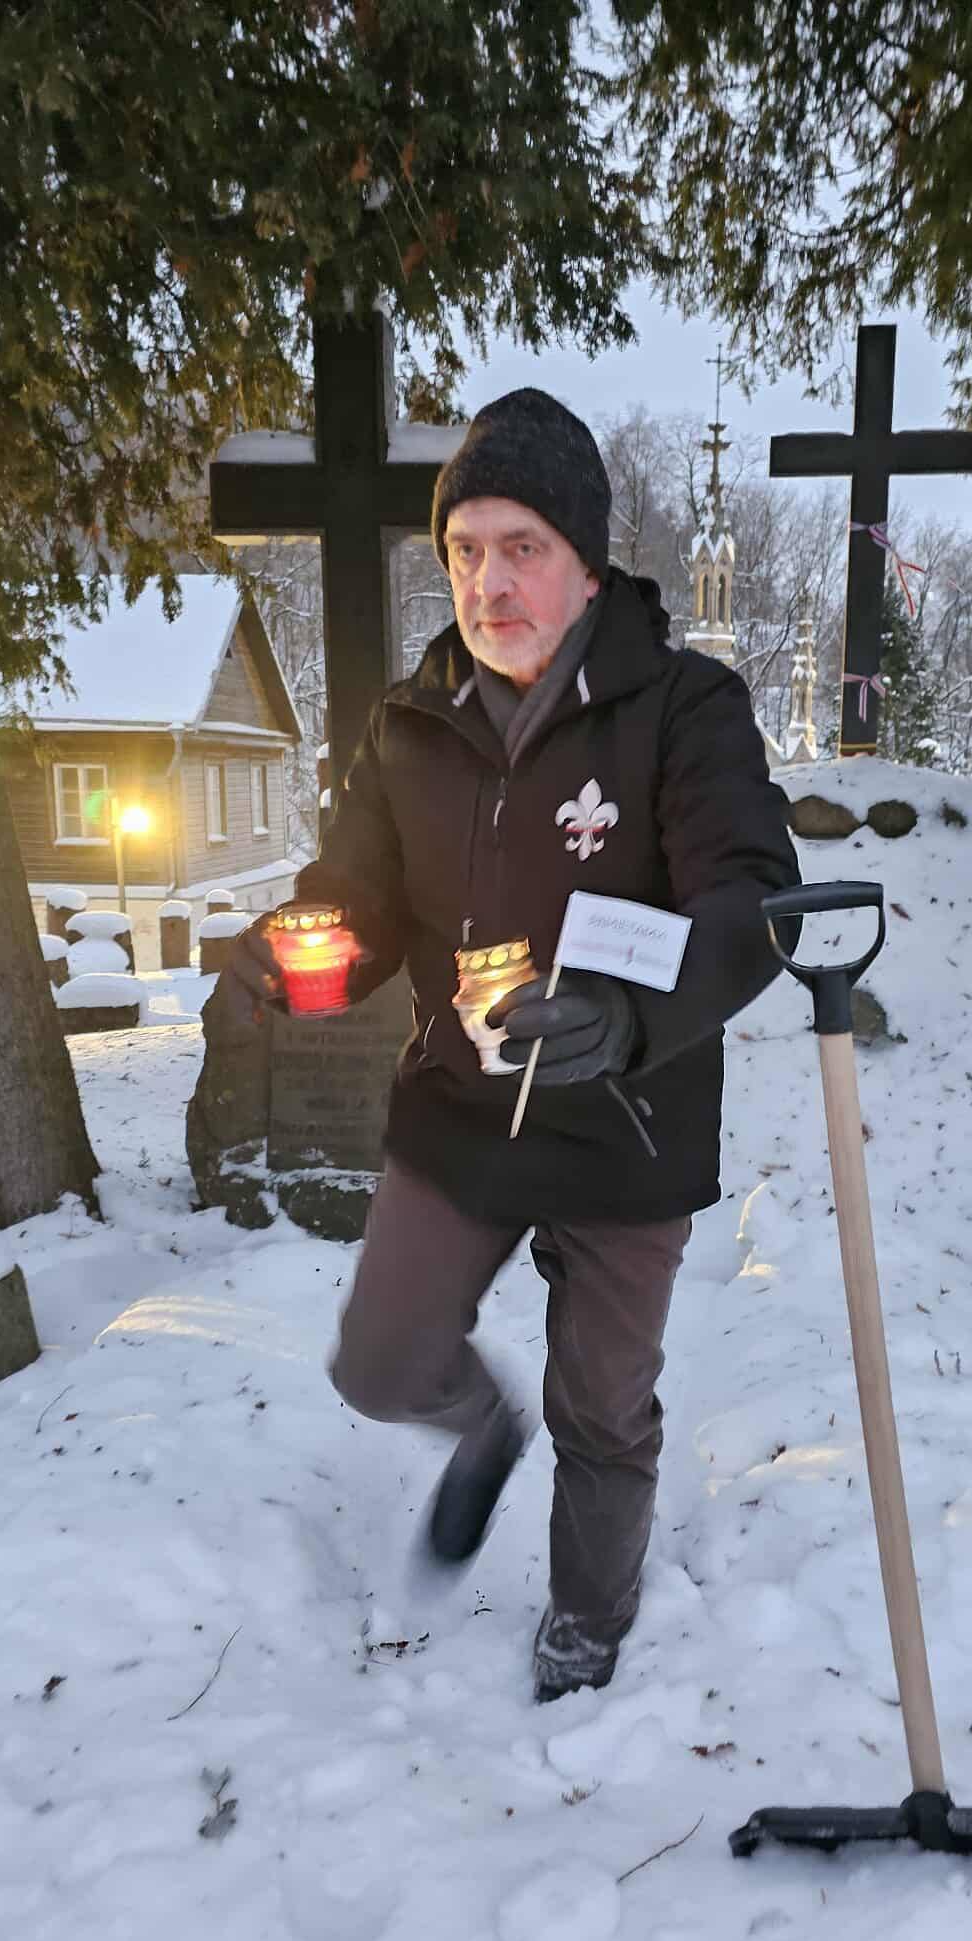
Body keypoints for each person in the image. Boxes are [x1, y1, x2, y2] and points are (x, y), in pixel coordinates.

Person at [223, 388, 799, 1701]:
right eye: (465, 551)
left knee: (605, 1409)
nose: (489, 583)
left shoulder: (683, 708)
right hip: (466, 1108)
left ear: (586, 563)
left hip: (627, 1120)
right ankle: (482, 1428)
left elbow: (749, 899)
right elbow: (357, 903)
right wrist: (300, 956)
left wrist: (633, 1017)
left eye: (522, 548)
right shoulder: (409, 725)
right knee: (380, 1364)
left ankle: (588, 1619)